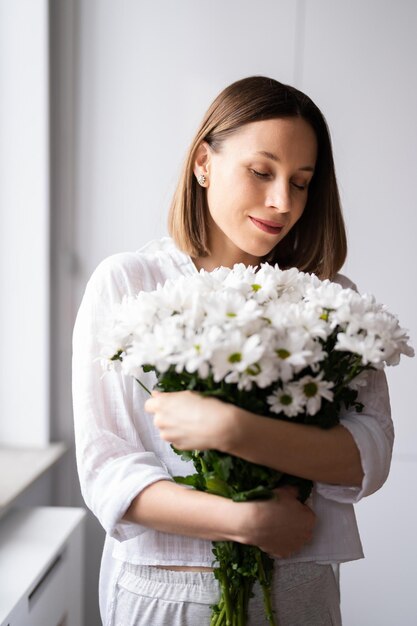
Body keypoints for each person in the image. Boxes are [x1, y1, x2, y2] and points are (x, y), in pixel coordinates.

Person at [72, 76, 393, 625]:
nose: (281, 202)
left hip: (300, 592)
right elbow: (108, 471)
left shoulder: (332, 298)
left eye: (301, 182)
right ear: (203, 162)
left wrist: (230, 430)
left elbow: (368, 453)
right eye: (261, 172)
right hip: (165, 596)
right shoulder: (129, 283)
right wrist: (245, 523)